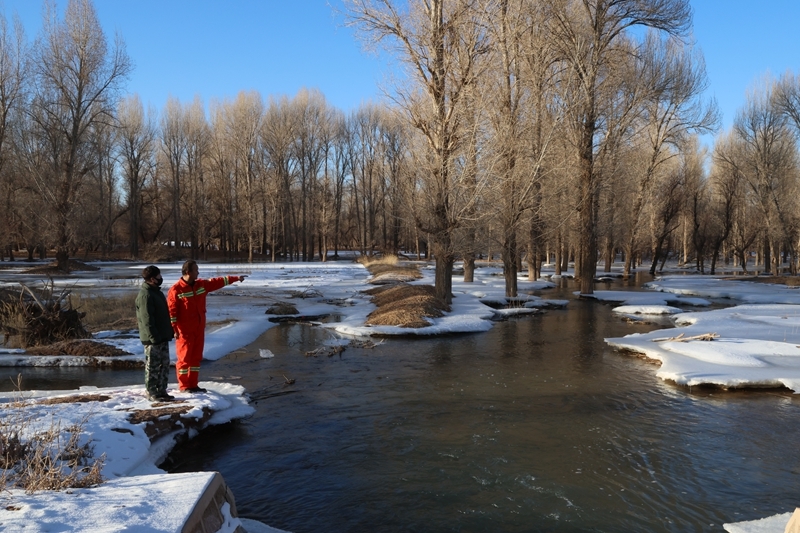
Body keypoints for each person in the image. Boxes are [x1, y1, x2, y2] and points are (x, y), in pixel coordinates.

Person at [167, 260, 247, 393]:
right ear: (188, 272)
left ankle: (193, 384)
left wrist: (236, 278)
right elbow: (171, 312)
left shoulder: (201, 285)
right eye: (196, 270)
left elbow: (217, 282)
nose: (198, 272)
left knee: (196, 358)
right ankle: (184, 386)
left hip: (198, 330)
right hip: (184, 331)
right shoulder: (176, 290)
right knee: (184, 359)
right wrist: (174, 329)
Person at [135, 265, 175, 402]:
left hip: (162, 336)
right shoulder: (145, 295)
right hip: (153, 339)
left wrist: (169, 331)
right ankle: (152, 391)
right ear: (152, 279)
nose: (161, 278)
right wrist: (154, 338)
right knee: (152, 366)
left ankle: (162, 390)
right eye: (159, 276)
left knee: (164, 364)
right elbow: (147, 320)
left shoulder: (156, 292)